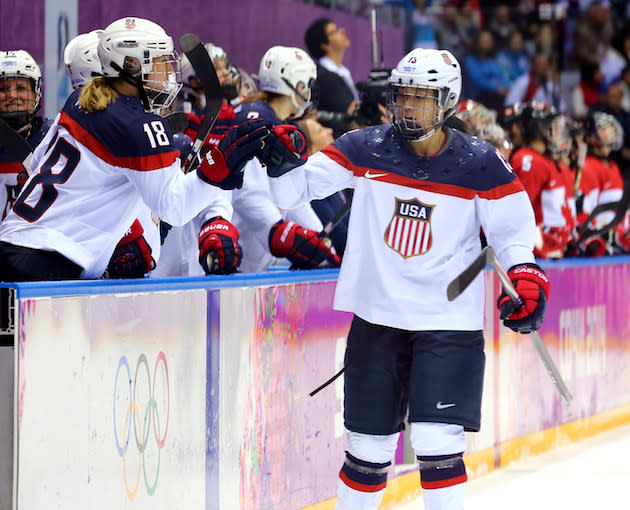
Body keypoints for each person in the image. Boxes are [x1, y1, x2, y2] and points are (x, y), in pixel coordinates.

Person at [221, 47, 549, 510]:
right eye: (403, 95)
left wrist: (525, 273)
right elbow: (297, 189)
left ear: (447, 101)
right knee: (366, 451)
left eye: (423, 97)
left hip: (447, 326)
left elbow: (513, 236)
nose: (410, 106)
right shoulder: (363, 146)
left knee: (437, 446)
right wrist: (280, 162)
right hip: (377, 322)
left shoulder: (482, 163)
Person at [0, 17, 262, 281]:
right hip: (53, 260)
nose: (167, 72)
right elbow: (176, 208)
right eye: (160, 62)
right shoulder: (140, 124)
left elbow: (39, 163)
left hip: (12, 243)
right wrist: (220, 166)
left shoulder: (78, 99)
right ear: (132, 65)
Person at [0, 50, 53, 221]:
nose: (12, 96)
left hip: (37, 242)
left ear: (35, 93)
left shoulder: (53, 136)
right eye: (3, 89)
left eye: (21, 88)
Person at [304, 18, 359, 138]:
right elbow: (349, 113)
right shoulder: (325, 77)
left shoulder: (341, 73)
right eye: (334, 31)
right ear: (325, 45)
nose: (342, 31)